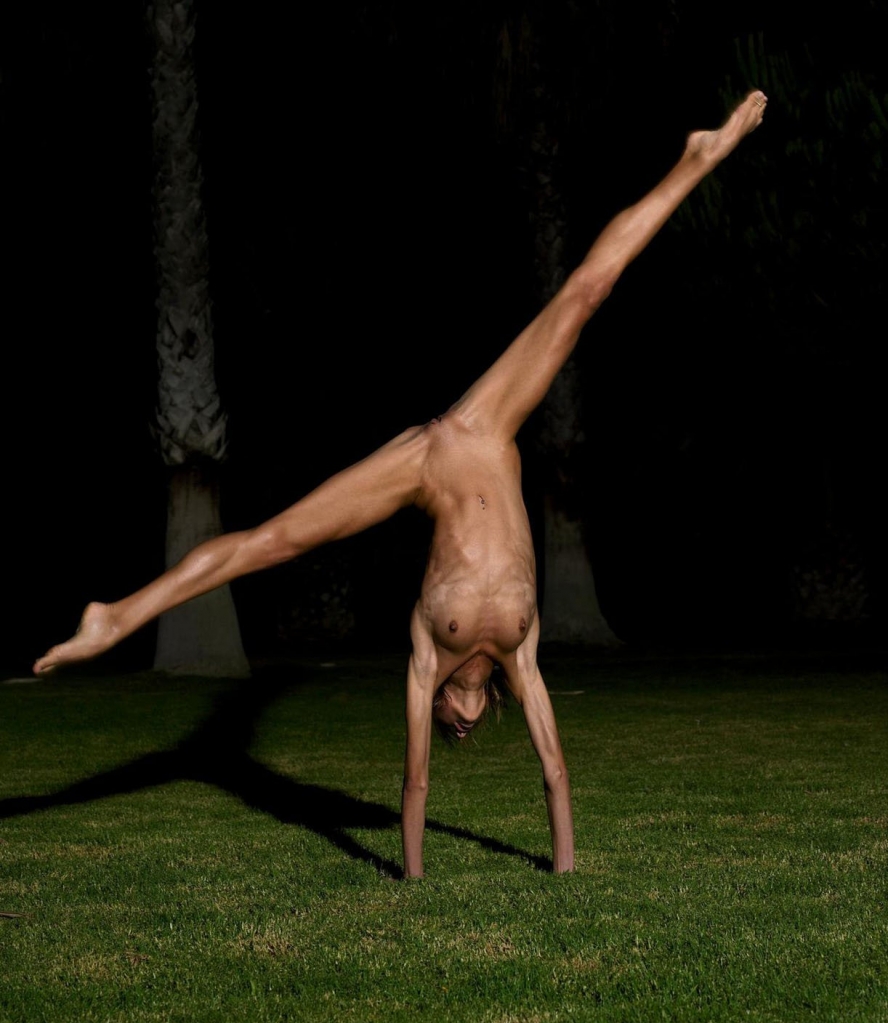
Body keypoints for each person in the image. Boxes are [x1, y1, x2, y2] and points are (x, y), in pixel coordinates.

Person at [35, 91, 768, 876]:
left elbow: (431, 781)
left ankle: (115, 617)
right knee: (583, 295)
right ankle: (698, 159)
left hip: (433, 454)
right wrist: (564, 865)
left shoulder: (426, 654)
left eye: (449, 722)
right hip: (480, 433)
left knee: (274, 541)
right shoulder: (520, 653)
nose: (458, 725)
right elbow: (545, 772)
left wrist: (431, 875)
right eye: (461, 725)